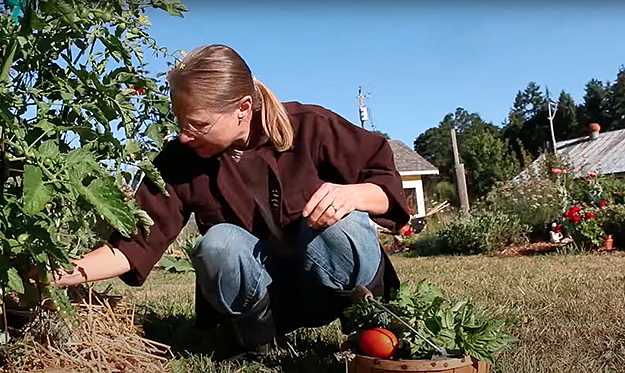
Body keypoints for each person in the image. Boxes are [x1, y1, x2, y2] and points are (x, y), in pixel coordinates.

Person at [51, 44, 411, 360]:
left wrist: (353, 194)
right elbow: (134, 246)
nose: (183, 134)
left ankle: (369, 323)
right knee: (219, 242)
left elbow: (385, 184)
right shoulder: (181, 160)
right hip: (266, 300)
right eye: (180, 121)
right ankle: (254, 342)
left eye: (197, 124)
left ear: (243, 107)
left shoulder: (310, 126)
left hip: (328, 280)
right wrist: (57, 273)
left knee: (342, 222)